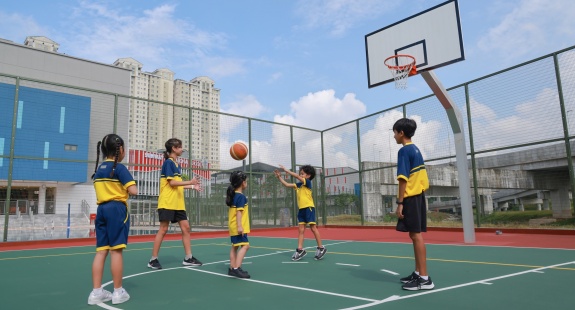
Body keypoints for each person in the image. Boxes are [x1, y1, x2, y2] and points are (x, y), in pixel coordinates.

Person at [88, 134, 137, 305]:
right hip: (116, 209)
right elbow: (133, 190)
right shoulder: (119, 168)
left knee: (101, 251)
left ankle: (96, 292)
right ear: (120, 149)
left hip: (101, 210)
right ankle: (118, 292)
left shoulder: (99, 169)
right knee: (116, 250)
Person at [148, 138, 203, 269]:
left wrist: (191, 187)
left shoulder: (177, 165)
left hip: (178, 203)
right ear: (174, 148)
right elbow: (172, 183)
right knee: (163, 229)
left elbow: (177, 185)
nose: (182, 149)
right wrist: (190, 182)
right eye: (180, 147)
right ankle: (153, 260)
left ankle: (188, 258)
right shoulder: (168, 163)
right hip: (167, 202)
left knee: (186, 228)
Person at [392, 118, 434, 291]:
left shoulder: (404, 151)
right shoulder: (415, 150)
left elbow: (403, 180)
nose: (393, 136)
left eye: (394, 132)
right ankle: (418, 273)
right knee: (413, 234)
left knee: (416, 235)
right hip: (418, 196)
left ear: (401, 133)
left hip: (411, 197)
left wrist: (400, 203)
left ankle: (424, 279)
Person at [274, 164, 327, 261]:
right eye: (300, 174)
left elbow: (296, 176)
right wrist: (279, 177)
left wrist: (286, 170)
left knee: (313, 228)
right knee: (301, 230)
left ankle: (321, 247)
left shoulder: (308, 182)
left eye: (302, 174)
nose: (300, 175)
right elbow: (286, 184)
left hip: (309, 208)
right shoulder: (299, 185)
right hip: (301, 209)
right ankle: (300, 250)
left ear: (308, 175)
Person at [225, 171, 251, 278]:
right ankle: (237, 268)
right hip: (238, 226)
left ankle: (232, 268)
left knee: (234, 247)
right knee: (245, 246)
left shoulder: (234, 195)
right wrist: (240, 226)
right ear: (243, 183)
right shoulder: (241, 197)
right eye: (246, 181)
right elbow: (238, 212)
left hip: (232, 226)